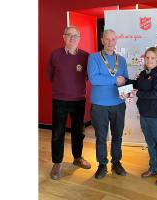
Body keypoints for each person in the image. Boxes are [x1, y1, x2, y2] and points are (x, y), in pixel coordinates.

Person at [46, 26, 91, 180]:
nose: (73, 38)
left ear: (79, 38)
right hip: (60, 101)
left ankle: (77, 157)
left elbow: (87, 76)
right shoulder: (55, 55)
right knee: (57, 133)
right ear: (64, 37)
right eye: (69, 35)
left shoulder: (86, 56)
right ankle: (57, 163)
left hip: (78, 100)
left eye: (76, 35)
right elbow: (50, 75)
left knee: (79, 132)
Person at [127, 47, 157, 186]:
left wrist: (138, 93)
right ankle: (154, 168)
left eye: (153, 58)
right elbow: (136, 84)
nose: (149, 60)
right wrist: (124, 81)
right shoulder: (143, 73)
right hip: (145, 115)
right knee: (151, 144)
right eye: (147, 57)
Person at [87, 29, 129, 179]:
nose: (110, 42)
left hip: (118, 104)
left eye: (113, 39)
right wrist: (114, 80)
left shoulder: (121, 60)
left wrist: (126, 92)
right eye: (107, 39)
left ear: (116, 41)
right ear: (102, 40)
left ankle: (116, 162)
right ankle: (102, 165)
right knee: (101, 137)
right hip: (99, 105)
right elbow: (94, 79)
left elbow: (125, 80)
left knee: (117, 136)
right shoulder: (93, 58)